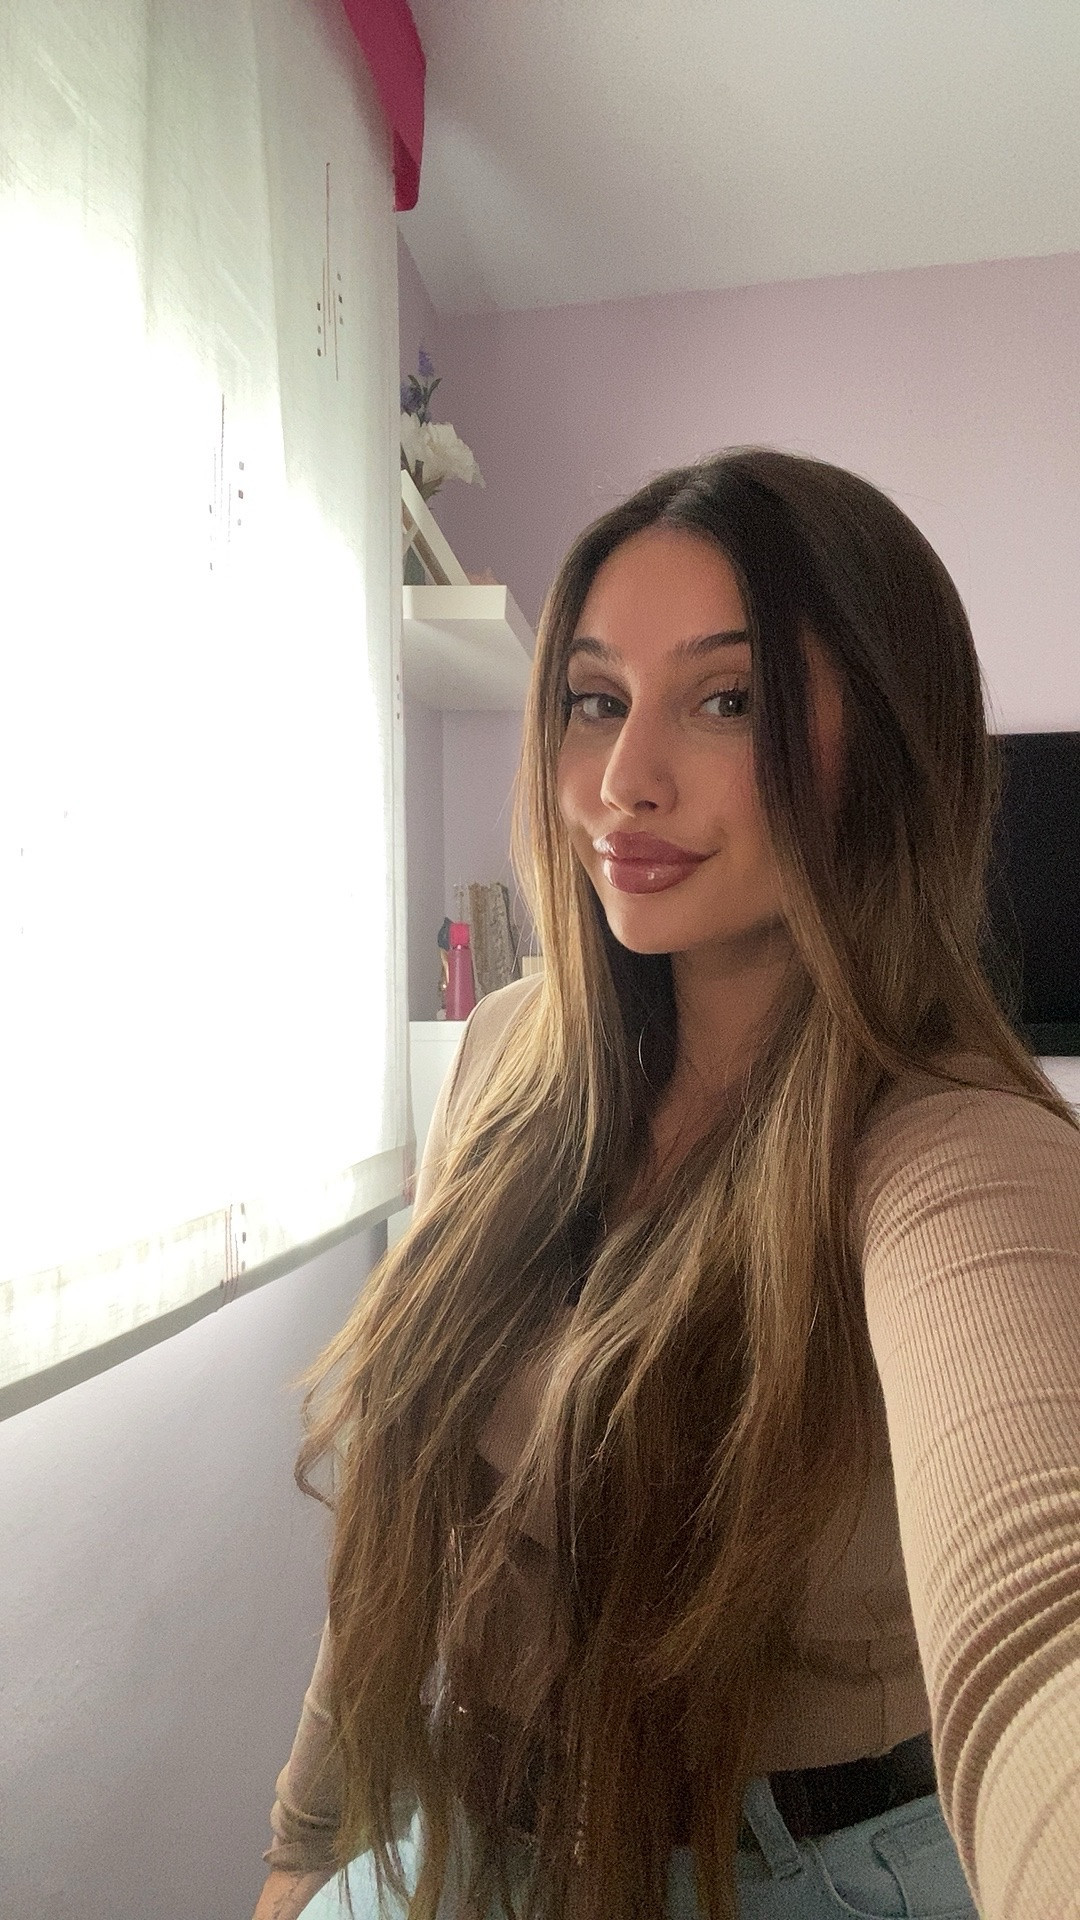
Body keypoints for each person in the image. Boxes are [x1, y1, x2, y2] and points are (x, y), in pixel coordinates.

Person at [252, 450, 1080, 1920]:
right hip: (464, 1842)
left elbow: (1041, 1627)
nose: (622, 781)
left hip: (796, 1872)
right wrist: (307, 1842)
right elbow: (403, 1500)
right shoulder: (505, 1053)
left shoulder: (951, 1144)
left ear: (891, 747)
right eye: (594, 699)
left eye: (729, 699)